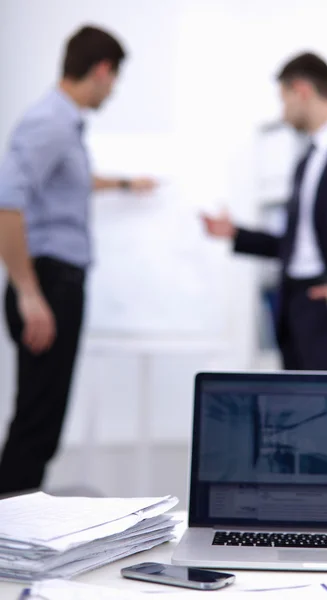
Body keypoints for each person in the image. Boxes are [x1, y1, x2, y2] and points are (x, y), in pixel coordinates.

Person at [0, 25, 157, 495]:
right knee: (36, 428)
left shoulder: (62, 124)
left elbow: (71, 182)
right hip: (47, 284)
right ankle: (10, 541)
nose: (113, 90)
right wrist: (29, 294)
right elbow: (6, 202)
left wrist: (127, 184)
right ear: (102, 70)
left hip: (53, 282)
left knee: (39, 424)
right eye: (115, 79)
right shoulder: (51, 120)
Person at [202, 52, 327, 371]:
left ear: (302, 90)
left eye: (284, 99)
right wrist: (236, 234)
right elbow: (295, 246)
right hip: (294, 310)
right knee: (294, 417)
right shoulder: (305, 162)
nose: (284, 112)